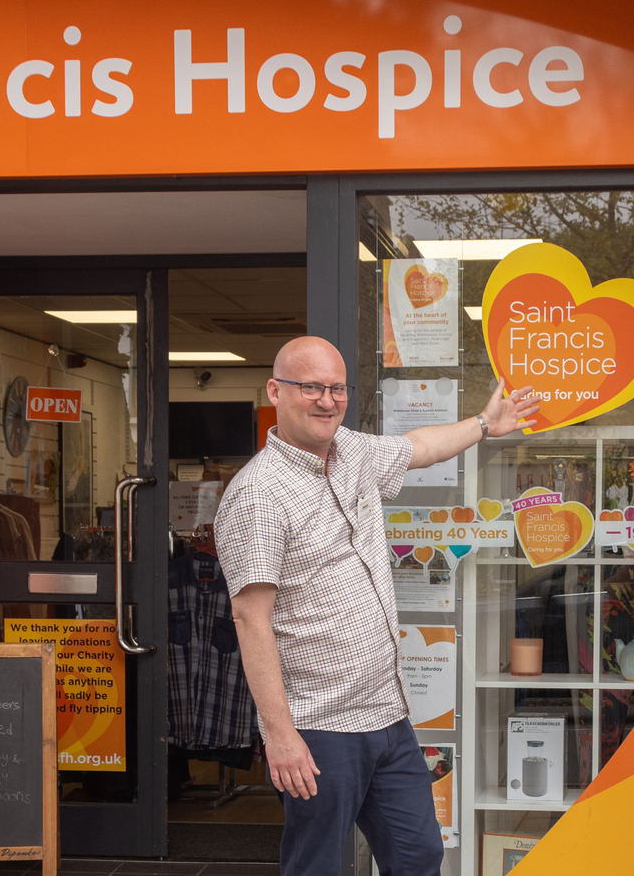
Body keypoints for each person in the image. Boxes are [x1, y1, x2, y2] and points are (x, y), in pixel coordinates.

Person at [215, 336, 539, 876]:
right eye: (311, 387)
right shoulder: (258, 494)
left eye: (337, 388)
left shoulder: (353, 453)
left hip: (387, 715)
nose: (327, 400)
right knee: (316, 864)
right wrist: (280, 735)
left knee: (418, 854)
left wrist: (485, 423)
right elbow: (251, 618)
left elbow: (420, 445)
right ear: (276, 391)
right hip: (319, 726)